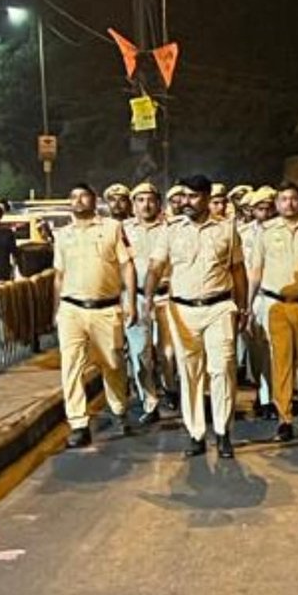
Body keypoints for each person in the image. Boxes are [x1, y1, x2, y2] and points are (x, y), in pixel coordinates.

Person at [144, 174, 246, 459]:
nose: (186, 202)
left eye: (193, 196)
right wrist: (147, 299)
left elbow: (238, 270)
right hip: (182, 310)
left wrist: (244, 307)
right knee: (189, 372)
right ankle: (196, 432)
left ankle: (224, 432)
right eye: (183, 196)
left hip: (219, 307)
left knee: (223, 368)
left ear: (206, 197)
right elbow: (155, 266)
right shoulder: (171, 229)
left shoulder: (227, 229)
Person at [53, 183, 136, 449]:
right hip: (71, 309)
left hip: (106, 308)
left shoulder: (112, 228)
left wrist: (130, 301)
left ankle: (119, 409)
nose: (78, 201)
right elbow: (58, 275)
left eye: (84, 196)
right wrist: (56, 309)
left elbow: (126, 266)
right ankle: (78, 423)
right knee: (71, 367)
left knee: (111, 364)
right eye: (73, 197)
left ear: (94, 200)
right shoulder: (62, 234)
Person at [247, 181, 298, 440]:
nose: (289, 203)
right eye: (284, 199)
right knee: (281, 361)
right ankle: (284, 416)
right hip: (275, 303)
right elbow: (256, 271)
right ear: (277, 204)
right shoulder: (265, 232)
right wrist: (248, 305)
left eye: (293, 198)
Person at [122, 181, 173, 426]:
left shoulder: (170, 229)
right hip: (136, 297)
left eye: (151, 199)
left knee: (168, 353)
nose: (146, 204)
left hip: (167, 296)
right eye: (140, 200)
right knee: (140, 354)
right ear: (133, 205)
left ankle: (172, 388)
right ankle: (149, 402)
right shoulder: (123, 230)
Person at [240, 186, 276, 419]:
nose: (265, 212)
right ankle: (259, 389)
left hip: (272, 295)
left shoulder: (280, 232)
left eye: (268, 208)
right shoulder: (242, 234)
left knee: (271, 350)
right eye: (260, 208)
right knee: (255, 349)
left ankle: (269, 399)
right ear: (252, 210)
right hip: (250, 297)